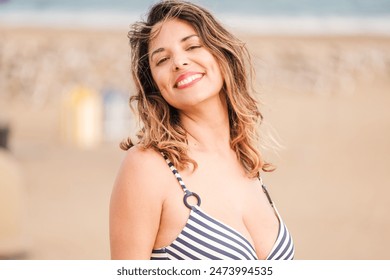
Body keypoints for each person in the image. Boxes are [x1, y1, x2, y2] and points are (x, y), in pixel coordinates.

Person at [109, 0, 294, 260]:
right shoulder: (147, 167)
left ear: (221, 55)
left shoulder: (245, 159)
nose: (179, 62)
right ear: (154, 85)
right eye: (162, 59)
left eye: (193, 46)